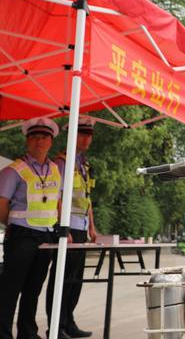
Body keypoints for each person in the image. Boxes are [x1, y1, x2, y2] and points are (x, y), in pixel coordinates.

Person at [0, 118, 62, 339]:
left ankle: (27, 333)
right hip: (22, 235)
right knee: (10, 289)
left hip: (46, 235)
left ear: (51, 141)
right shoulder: (14, 170)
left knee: (33, 289)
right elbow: (1, 205)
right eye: (34, 137)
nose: (39, 141)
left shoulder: (55, 169)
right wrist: (14, 226)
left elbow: (57, 201)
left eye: (44, 137)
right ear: (27, 141)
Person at [46, 117, 97, 338]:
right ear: (71, 136)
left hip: (81, 227)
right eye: (81, 133)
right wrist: (62, 227)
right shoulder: (61, 163)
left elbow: (87, 198)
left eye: (88, 134)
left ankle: (69, 321)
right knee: (62, 278)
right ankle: (56, 326)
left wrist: (93, 227)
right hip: (67, 228)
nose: (86, 138)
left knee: (75, 279)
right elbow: (56, 196)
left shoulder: (83, 164)